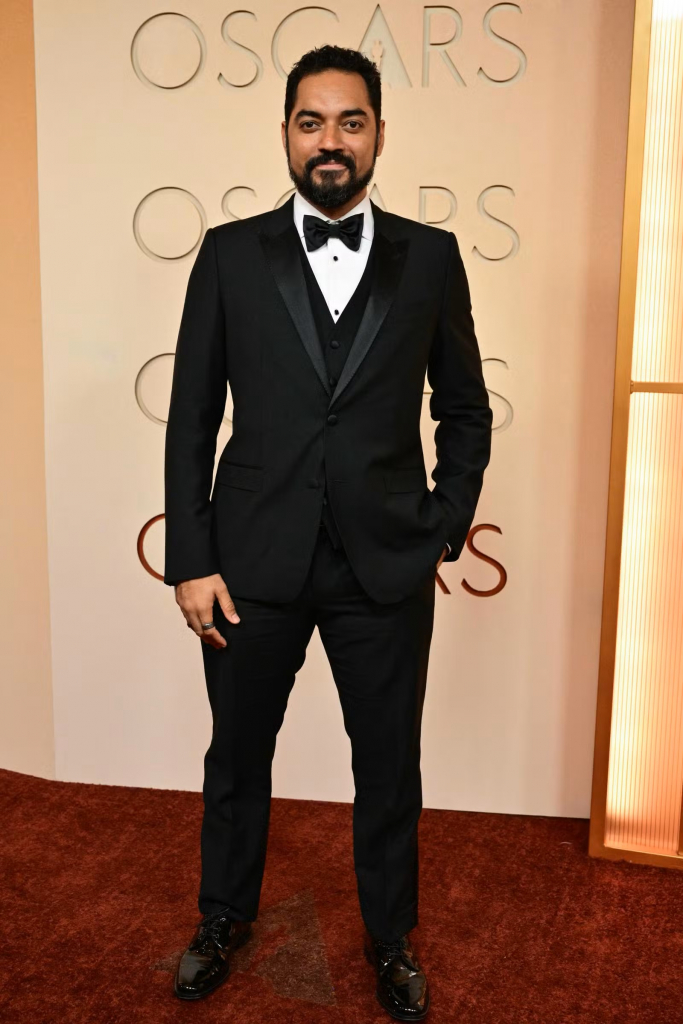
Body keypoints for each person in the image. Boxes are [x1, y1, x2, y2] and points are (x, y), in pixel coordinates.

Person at [164, 43, 492, 1020]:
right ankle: (223, 916)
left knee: (388, 765)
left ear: (379, 133)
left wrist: (442, 523)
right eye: (311, 123)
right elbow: (191, 418)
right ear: (285, 135)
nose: (330, 141)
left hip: (383, 562)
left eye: (350, 121)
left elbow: (464, 409)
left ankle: (390, 938)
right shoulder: (229, 253)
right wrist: (191, 558)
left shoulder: (430, 257)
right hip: (249, 561)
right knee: (236, 756)